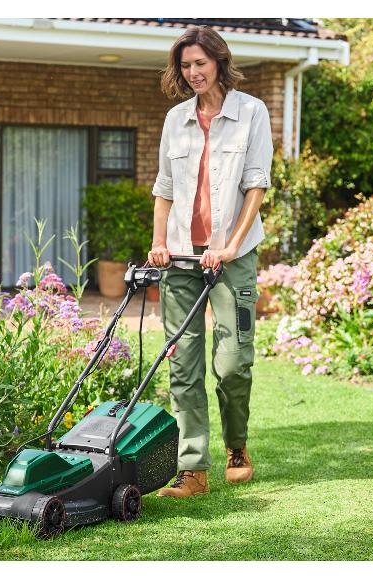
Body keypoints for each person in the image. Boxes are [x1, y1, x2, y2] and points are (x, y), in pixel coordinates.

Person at [148, 26, 273, 498]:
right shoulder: (175, 119)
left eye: (200, 63)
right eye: (185, 65)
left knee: (234, 360)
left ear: (219, 62)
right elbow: (164, 189)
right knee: (182, 363)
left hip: (231, 257)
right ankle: (192, 468)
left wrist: (230, 246)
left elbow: (256, 185)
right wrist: (160, 242)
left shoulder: (250, 113)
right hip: (180, 256)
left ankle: (236, 445)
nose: (193, 72)